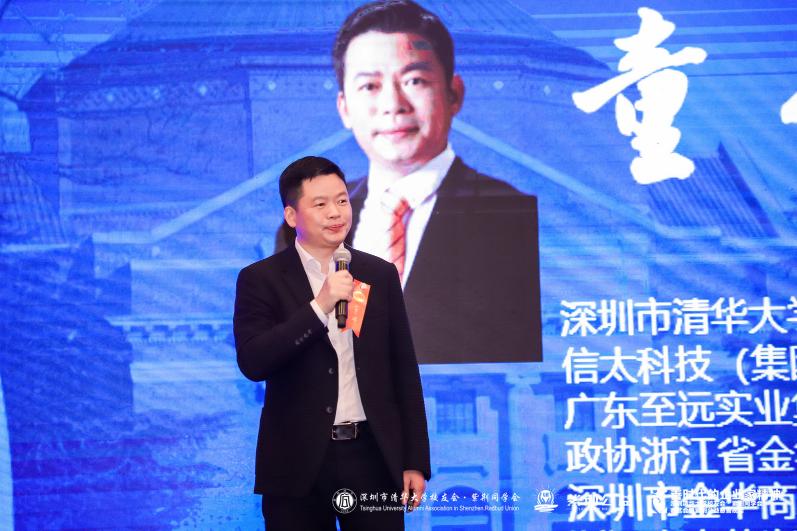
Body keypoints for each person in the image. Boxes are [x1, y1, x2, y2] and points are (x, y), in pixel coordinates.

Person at [333, 0, 543, 364]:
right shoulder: (309, 228)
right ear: (345, 108)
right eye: (369, 86)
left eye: (414, 81)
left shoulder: (513, 218)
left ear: (454, 93)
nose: (393, 104)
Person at [234, 156, 430, 530]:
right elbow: (254, 361)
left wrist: (414, 460)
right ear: (292, 216)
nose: (336, 213)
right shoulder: (260, 279)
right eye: (320, 204)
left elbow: (403, 370)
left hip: (372, 457)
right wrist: (319, 306)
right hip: (297, 462)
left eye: (341, 200)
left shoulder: (378, 274)